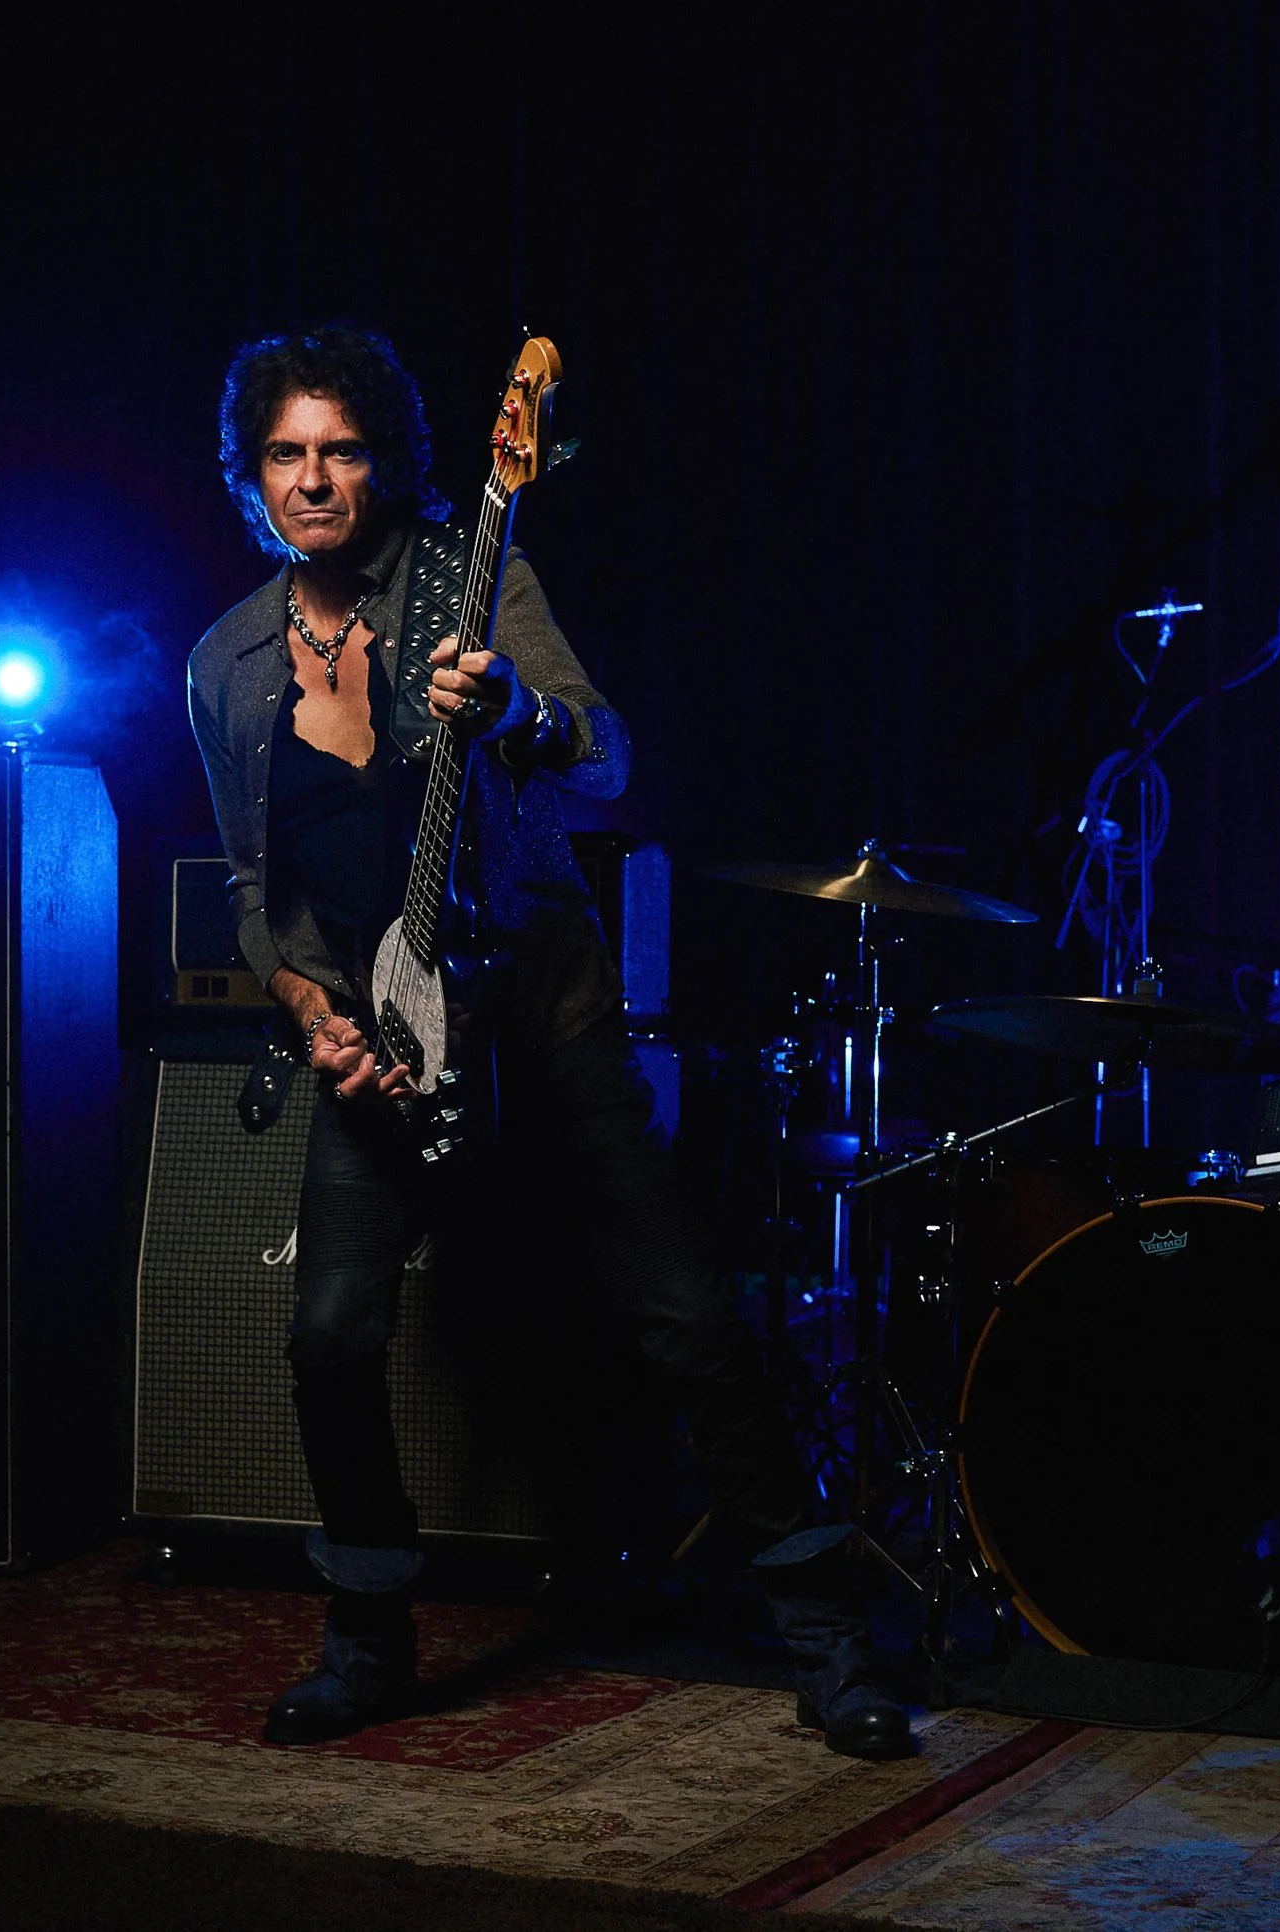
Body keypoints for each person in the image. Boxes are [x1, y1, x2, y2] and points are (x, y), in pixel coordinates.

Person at [187, 325, 908, 1760]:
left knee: (690, 1327)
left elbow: (611, 753)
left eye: (340, 450)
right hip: (381, 1028)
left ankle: (828, 1644)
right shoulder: (226, 667)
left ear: (382, 460)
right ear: (251, 474)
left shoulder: (472, 574)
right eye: (287, 454)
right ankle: (369, 1639)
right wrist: (320, 1018)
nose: (316, 480)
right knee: (327, 1338)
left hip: (545, 1010)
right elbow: (259, 899)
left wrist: (515, 708)